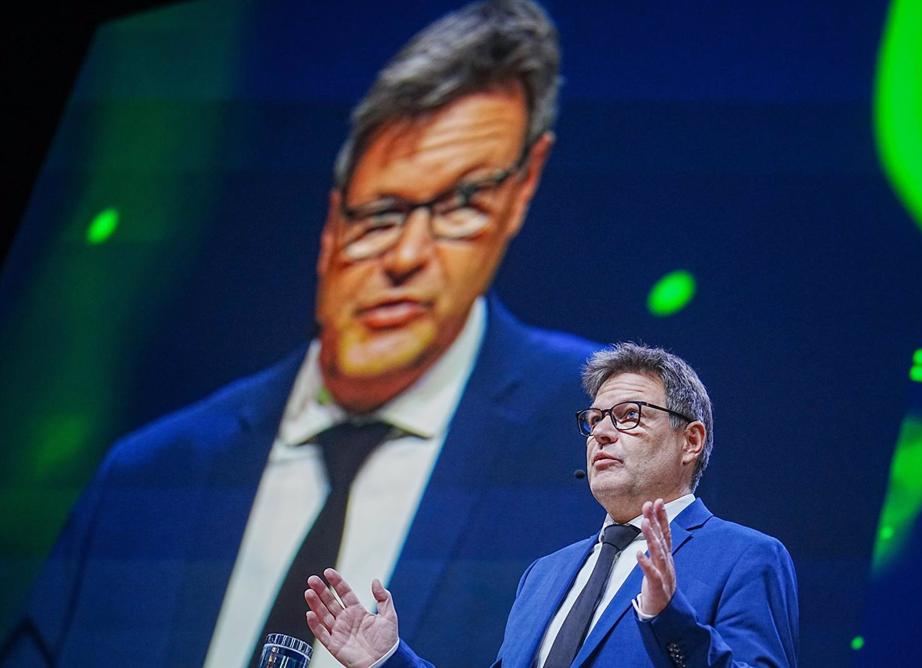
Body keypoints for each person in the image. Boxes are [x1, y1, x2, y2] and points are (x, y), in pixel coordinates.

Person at [2, 2, 603, 666]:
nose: (406, 255)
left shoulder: (603, 455)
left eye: (462, 204)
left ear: (522, 193)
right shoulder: (144, 482)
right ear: (330, 228)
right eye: (382, 212)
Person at [304, 343, 800, 667]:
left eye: (629, 416)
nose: (602, 432)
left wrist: (669, 619)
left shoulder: (746, 557)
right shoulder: (545, 574)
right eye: (596, 418)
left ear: (690, 441)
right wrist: (388, 658)